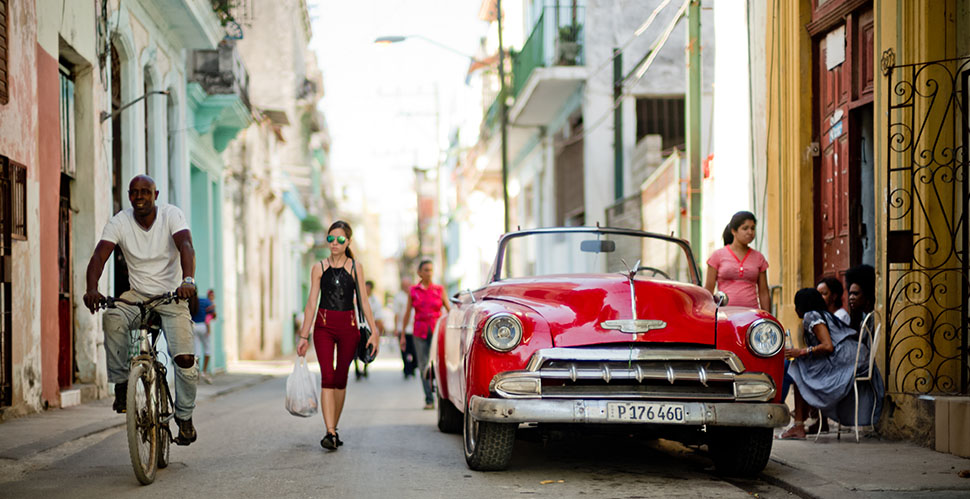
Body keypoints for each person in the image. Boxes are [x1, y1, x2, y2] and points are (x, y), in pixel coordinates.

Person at [82, 175, 199, 446]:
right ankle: (122, 384)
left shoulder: (172, 215)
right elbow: (100, 255)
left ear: (155, 195)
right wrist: (92, 288)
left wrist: (188, 280)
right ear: (129, 195)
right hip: (137, 297)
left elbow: (186, 246)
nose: (139, 197)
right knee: (112, 317)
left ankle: (185, 417)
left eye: (145, 192)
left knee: (184, 360)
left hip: (171, 296)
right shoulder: (120, 222)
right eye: (134, 192)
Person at [296, 220, 380, 450]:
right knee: (328, 377)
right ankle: (330, 432)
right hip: (323, 328)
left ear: (348, 242)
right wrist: (304, 336)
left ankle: (335, 426)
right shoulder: (318, 268)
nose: (335, 243)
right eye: (331, 238)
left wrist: (375, 332)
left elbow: (364, 301)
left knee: (341, 378)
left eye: (340, 239)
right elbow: (311, 302)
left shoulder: (355, 267)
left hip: (349, 328)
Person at [779, 288, 884, 439]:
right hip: (859, 358)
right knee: (806, 368)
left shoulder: (810, 315)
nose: (795, 309)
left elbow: (828, 346)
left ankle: (798, 425)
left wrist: (801, 352)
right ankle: (818, 422)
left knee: (797, 367)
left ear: (801, 306)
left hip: (847, 360)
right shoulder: (825, 314)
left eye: (796, 305)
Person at [401, 260, 450, 409]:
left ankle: (439, 393)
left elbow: (449, 309)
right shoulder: (413, 291)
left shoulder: (439, 290)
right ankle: (429, 399)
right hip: (419, 332)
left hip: (436, 332)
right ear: (419, 273)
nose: (429, 273)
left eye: (431, 270)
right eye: (426, 270)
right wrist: (403, 335)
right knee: (423, 365)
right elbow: (408, 313)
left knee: (438, 364)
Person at [704, 211, 771, 310]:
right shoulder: (718, 256)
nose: (750, 232)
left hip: (751, 315)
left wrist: (767, 319)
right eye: (745, 228)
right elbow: (709, 290)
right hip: (725, 315)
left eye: (752, 228)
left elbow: (764, 292)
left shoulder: (759, 258)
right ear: (733, 231)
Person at [394, 277, 417, 378]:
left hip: (414, 329)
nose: (406, 286)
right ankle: (407, 370)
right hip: (402, 329)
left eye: (408, 284)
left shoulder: (415, 294)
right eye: (405, 284)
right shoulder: (398, 297)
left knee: (414, 351)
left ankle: (412, 367)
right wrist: (396, 328)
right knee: (404, 350)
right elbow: (396, 314)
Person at [192, 289, 215, 384]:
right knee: (207, 348)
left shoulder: (193, 302)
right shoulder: (208, 303)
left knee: (196, 350)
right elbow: (211, 316)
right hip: (204, 326)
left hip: (193, 326)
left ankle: (196, 373)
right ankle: (204, 371)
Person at [845, 264, 876, 332]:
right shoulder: (860, 318)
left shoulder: (874, 318)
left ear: (867, 295)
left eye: (855, 294)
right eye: (850, 294)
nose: (851, 298)